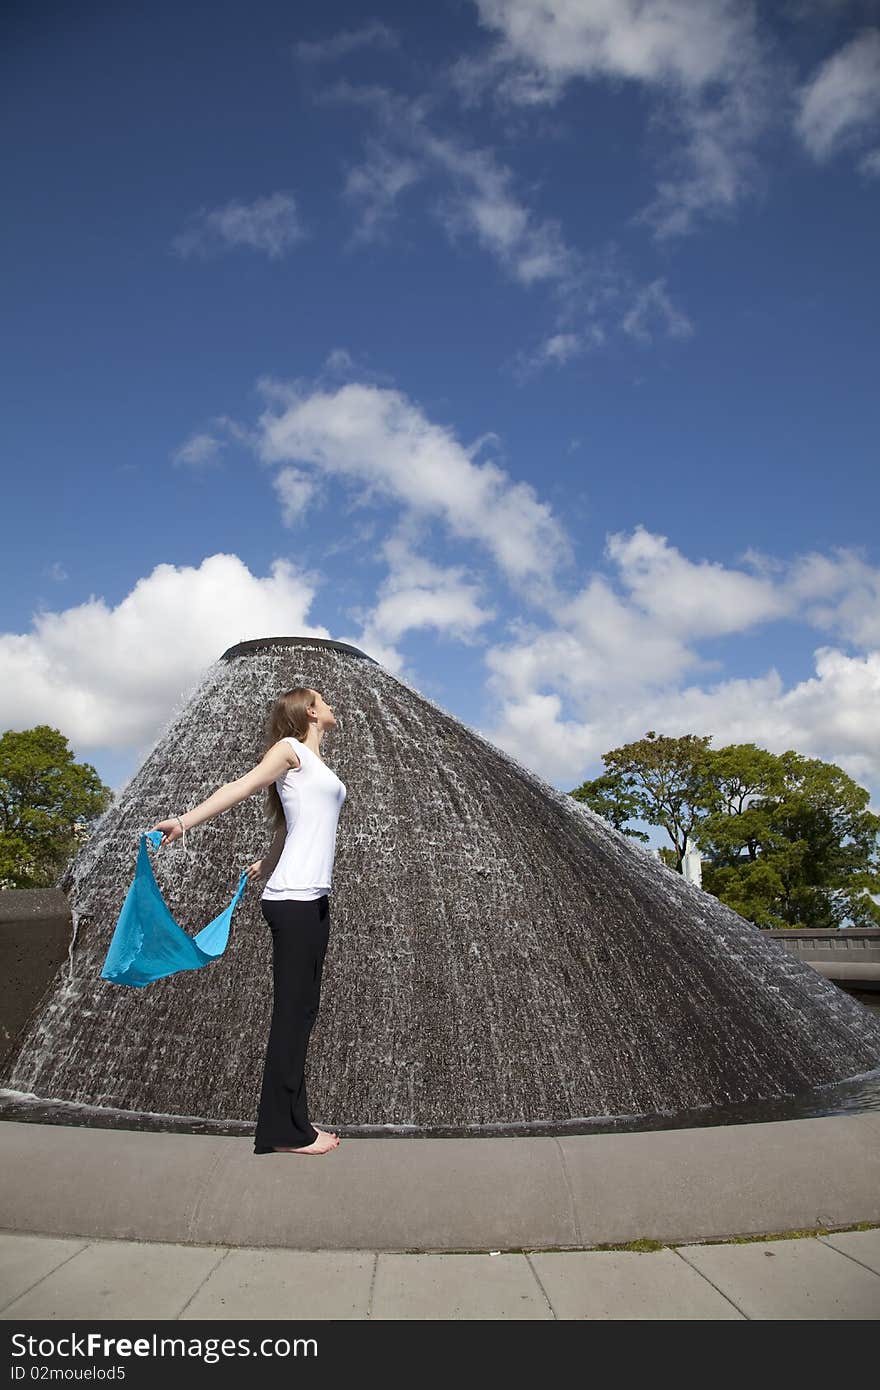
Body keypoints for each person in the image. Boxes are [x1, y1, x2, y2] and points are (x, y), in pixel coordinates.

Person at [150, 686, 346, 1157]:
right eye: (324, 699)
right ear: (310, 711)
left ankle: (296, 1120)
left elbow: (292, 824)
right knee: (291, 1016)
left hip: (312, 898)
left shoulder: (316, 766)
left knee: (302, 1014)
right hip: (293, 901)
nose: (333, 704)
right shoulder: (289, 749)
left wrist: (268, 859)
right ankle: (283, 1131)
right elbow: (243, 786)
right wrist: (185, 821)